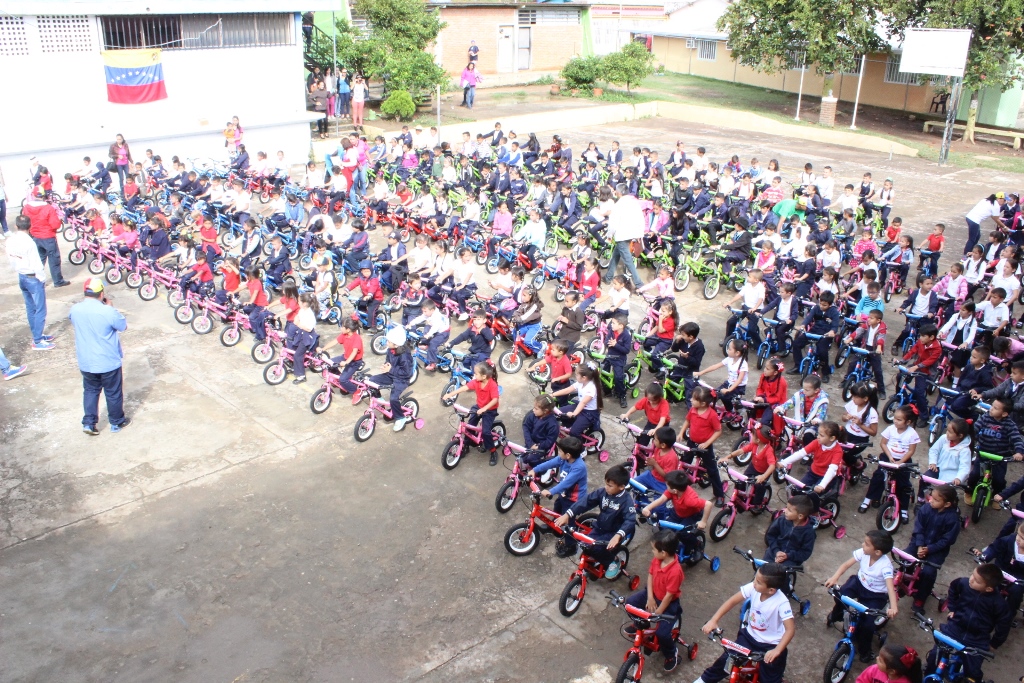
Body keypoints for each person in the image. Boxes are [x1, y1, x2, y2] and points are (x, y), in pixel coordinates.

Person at [696, 562, 794, 683]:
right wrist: (714, 620)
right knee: (725, 661)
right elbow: (731, 601)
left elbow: (790, 630)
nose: (754, 583)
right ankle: (703, 680)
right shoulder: (753, 588)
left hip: (771, 644)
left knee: (770, 678)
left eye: (758, 582)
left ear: (771, 590)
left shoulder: (781, 603)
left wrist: (777, 650)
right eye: (755, 578)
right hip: (749, 637)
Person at [924, 564, 1010, 682]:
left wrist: (995, 643)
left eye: (977, 581)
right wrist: (952, 608)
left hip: (977, 638)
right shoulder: (964, 583)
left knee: (973, 672)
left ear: (989, 588)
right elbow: (953, 588)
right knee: (934, 657)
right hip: (955, 628)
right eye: (972, 575)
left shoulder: (999, 604)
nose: (971, 579)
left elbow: (1004, 625)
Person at [825, 530, 899, 663]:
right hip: (858, 583)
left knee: (867, 625)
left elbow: (890, 587)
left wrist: (893, 607)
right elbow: (846, 564)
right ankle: (836, 614)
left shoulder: (885, 566)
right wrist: (835, 577)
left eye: (866, 544)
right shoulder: (864, 552)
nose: (862, 545)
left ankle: (865, 651)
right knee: (841, 594)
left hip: (875, 595)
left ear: (877, 552)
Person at [69, 279, 130, 435]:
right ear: (101, 294)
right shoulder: (107, 311)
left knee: (90, 390)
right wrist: (111, 308)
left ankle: (89, 423)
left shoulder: (75, 309)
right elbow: (122, 326)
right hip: (108, 361)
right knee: (113, 392)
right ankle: (116, 422)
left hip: (87, 362)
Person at [554, 464, 636, 574]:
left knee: (597, 549)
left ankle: (613, 561)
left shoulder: (626, 501)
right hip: (600, 527)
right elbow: (586, 502)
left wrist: (618, 535)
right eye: (606, 484)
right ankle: (593, 563)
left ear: (621, 487)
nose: (606, 487)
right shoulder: (602, 492)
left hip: (614, 532)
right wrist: (568, 514)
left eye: (610, 485)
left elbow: (630, 520)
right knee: (585, 546)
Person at [622, 530, 685, 672]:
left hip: (667, 603)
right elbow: (650, 576)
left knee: (662, 634)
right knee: (629, 604)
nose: (652, 552)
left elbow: (669, 596)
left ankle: (671, 654)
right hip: (651, 593)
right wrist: (650, 598)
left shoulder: (675, 572)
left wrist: (658, 613)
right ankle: (640, 623)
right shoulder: (657, 560)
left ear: (664, 553)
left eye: (653, 549)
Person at [904, 484, 961, 615]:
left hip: (937, 550)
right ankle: (906, 580)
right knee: (905, 558)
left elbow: (947, 541)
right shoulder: (925, 509)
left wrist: (929, 549)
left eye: (935, 500)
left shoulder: (953, 520)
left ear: (946, 504)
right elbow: (918, 528)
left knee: (928, 573)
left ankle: (920, 598)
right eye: (931, 497)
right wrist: (919, 545)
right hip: (919, 543)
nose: (930, 500)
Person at [8, 215, 55, 350]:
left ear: (16, 226)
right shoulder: (30, 243)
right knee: (40, 309)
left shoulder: (11, 240)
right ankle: (38, 340)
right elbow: (36, 264)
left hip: (21, 276)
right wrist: (42, 278)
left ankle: (37, 334)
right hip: (32, 277)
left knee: (30, 308)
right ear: (30, 226)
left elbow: (11, 258)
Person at [679, 386, 725, 506]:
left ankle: (719, 494)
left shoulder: (712, 415)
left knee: (712, 470)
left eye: (694, 399)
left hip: (705, 446)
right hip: (692, 442)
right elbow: (687, 421)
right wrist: (681, 433)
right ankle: (679, 486)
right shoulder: (693, 410)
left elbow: (718, 431)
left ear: (703, 403)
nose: (691, 400)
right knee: (684, 463)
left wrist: (707, 443)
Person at [21, 187, 69, 287]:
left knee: (39, 260)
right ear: (44, 196)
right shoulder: (48, 208)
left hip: (35, 236)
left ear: (33, 195)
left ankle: (38, 281)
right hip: (48, 237)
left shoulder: (26, 207)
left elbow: (25, 221)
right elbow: (55, 225)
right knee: (53, 259)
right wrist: (59, 220)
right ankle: (57, 281)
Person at [529, 436, 587, 514]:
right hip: (564, 493)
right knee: (557, 509)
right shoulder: (563, 459)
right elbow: (549, 463)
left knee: (566, 517)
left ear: (568, 455)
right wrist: (534, 470)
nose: (558, 452)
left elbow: (566, 483)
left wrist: (551, 491)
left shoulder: (579, 467)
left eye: (560, 450)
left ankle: (571, 526)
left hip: (573, 498)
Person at [603, 184, 645, 288]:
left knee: (628, 261)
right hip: (631, 234)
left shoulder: (618, 205)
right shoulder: (634, 203)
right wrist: (639, 234)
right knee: (616, 255)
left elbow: (613, 223)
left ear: (619, 192)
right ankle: (608, 277)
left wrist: (609, 234)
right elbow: (640, 219)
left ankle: (639, 284)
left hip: (621, 235)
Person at [762, 494, 815, 568]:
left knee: (782, 574)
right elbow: (771, 535)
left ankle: (788, 579)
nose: (785, 511)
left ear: (800, 516)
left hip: (791, 559)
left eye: (789, 510)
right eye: (786, 507)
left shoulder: (809, 532)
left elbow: (805, 552)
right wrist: (776, 551)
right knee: (762, 569)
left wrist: (788, 556)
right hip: (774, 551)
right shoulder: (781, 520)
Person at [856, 644, 923, 683]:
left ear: (891, 671)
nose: (876, 658)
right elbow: (861, 681)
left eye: (880, 660)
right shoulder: (874, 669)